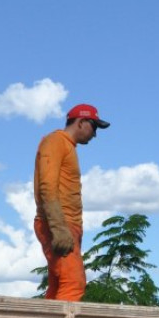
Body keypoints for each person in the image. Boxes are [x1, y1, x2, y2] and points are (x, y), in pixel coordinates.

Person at [33, 103, 110, 301]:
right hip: (58, 223)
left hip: (67, 225)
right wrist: (58, 228)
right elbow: (47, 186)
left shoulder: (67, 145)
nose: (95, 134)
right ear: (81, 122)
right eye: (94, 127)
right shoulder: (55, 141)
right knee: (73, 283)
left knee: (59, 284)